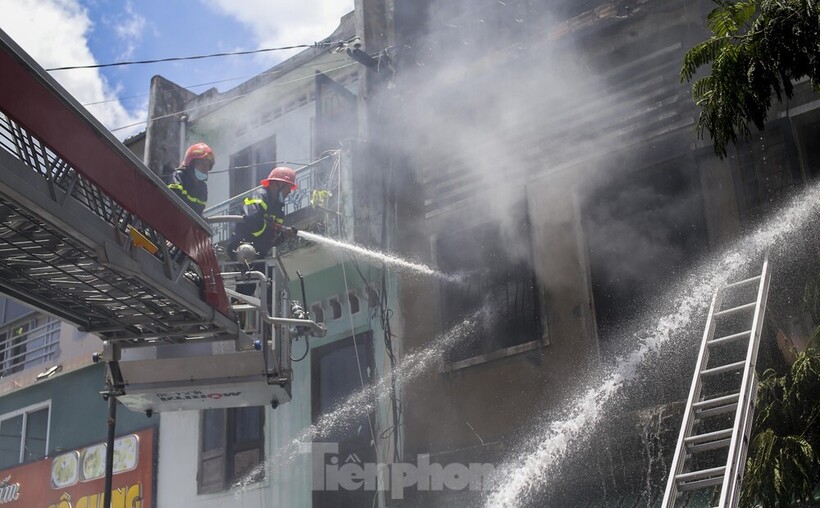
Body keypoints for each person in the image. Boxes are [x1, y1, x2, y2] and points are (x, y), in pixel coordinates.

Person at [227, 166, 299, 262]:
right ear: (278, 184)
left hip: (258, 254)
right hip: (242, 249)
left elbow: (271, 241)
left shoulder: (278, 210)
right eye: (288, 187)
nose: (290, 191)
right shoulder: (259, 196)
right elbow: (252, 221)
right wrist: (271, 226)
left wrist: (283, 235)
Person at [167, 142, 214, 216]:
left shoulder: (203, 187)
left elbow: (199, 212)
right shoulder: (179, 176)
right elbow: (173, 201)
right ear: (191, 163)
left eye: (208, 165)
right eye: (202, 164)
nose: (206, 168)